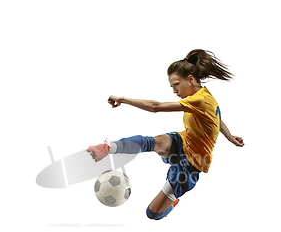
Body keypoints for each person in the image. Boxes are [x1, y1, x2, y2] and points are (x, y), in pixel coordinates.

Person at [87, 49, 244, 220]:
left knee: (152, 213)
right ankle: (108, 148)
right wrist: (230, 137)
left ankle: (172, 202)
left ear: (190, 79)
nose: (174, 91)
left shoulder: (201, 100)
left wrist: (123, 99)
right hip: (183, 141)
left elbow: (155, 107)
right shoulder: (203, 96)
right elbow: (217, 119)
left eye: (176, 84)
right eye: (172, 86)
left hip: (192, 165)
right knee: (150, 142)